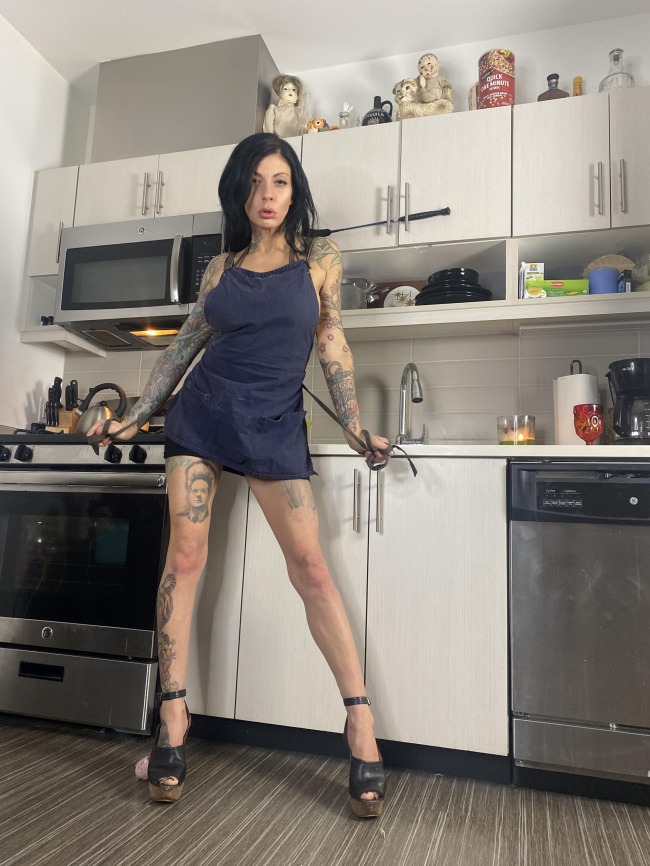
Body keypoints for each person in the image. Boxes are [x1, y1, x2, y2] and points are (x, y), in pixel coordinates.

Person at [88, 132, 392, 818]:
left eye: (279, 181)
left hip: (275, 424)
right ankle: (172, 719)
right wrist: (136, 414)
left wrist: (352, 425)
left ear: (295, 190)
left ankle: (360, 721)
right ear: (239, 192)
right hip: (201, 417)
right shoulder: (220, 270)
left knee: (310, 568)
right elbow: (184, 347)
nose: (266, 195)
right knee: (185, 557)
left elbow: (331, 341)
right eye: (254, 182)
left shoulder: (320, 260)